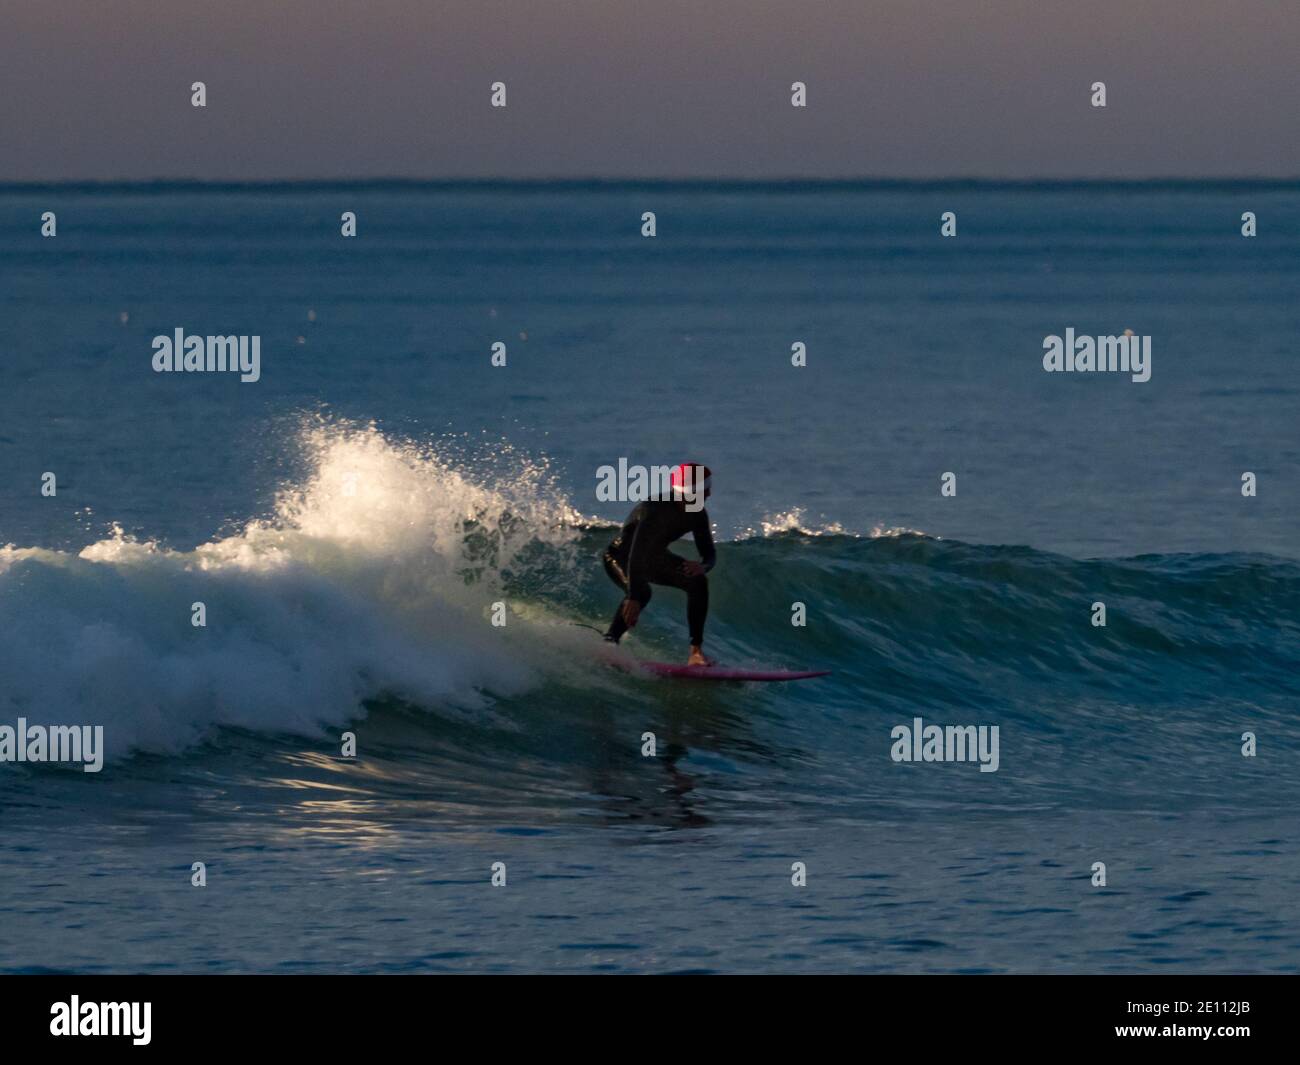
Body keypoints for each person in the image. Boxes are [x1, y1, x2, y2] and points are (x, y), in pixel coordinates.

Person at [602, 463, 716, 665]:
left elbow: (709, 554)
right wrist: (633, 595)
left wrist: (702, 566)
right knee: (642, 593)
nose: (709, 494)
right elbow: (635, 553)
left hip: (653, 558)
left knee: (698, 582)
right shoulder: (655, 508)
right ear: (689, 492)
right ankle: (610, 644)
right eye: (705, 490)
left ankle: (695, 652)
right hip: (619, 556)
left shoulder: (697, 513)